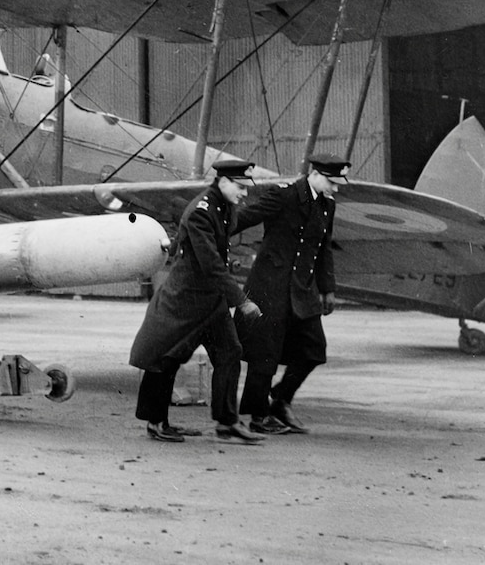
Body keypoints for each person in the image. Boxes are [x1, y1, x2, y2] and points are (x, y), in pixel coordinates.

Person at [129, 158, 265, 443]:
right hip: (186, 301)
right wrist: (241, 301)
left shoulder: (223, 206)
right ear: (223, 182)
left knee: (230, 353)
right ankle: (156, 422)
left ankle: (227, 423)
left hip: (211, 302)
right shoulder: (202, 210)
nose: (244, 193)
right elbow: (211, 264)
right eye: (240, 186)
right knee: (165, 358)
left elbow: (203, 234)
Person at [236, 153, 347, 435]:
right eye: (332, 182)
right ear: (315, 174)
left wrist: (328, 289)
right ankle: (258, 417)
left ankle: (281, 398)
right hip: (269, 287)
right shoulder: (283, 195)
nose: (335, 188)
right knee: (266, 353)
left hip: (302, 288)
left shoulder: (326, 206)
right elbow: (247, 217)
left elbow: (323, 250)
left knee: (313, 350)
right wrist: (209, 226)